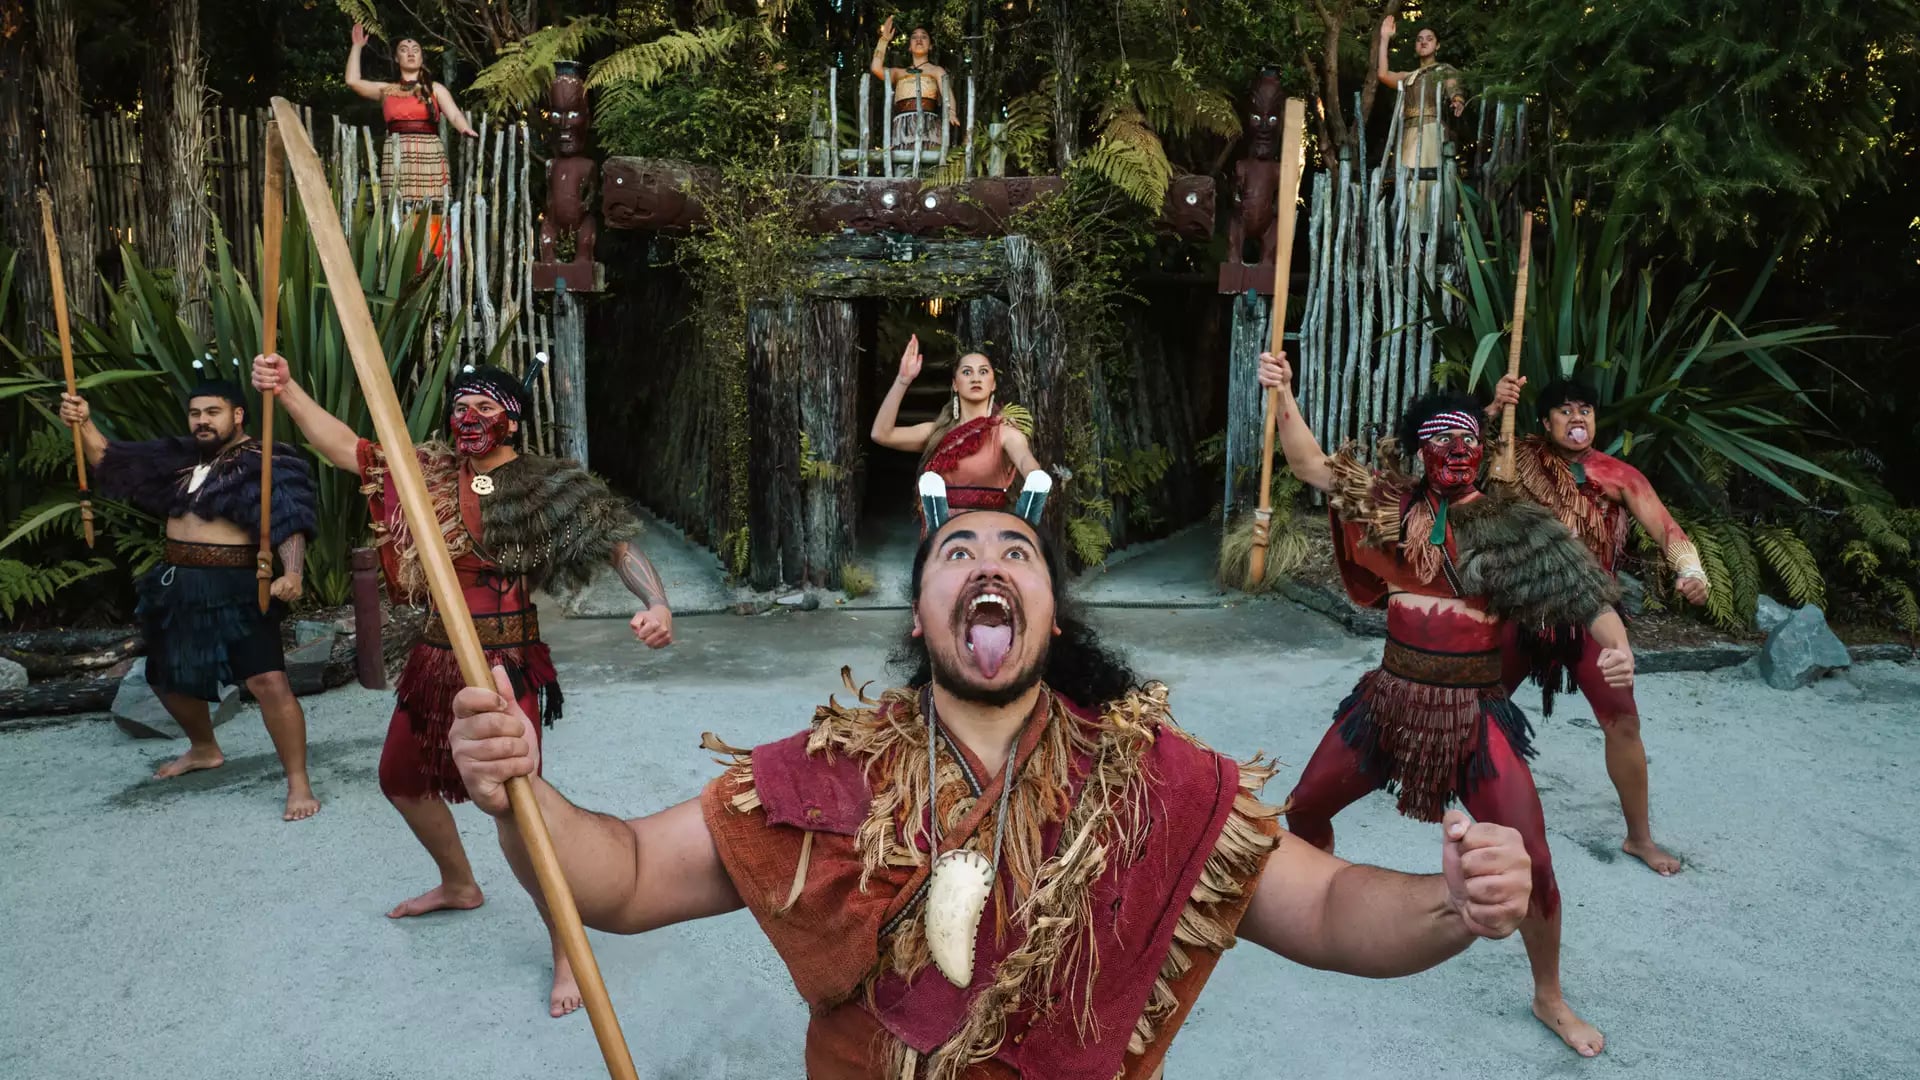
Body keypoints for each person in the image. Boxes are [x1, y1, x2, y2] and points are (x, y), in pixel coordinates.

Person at [445, 497, 1539, 1077]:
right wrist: (519, 794)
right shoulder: (828, 774)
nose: (986, 563)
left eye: (1017, 553)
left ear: (1050, 619)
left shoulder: (1155, 779)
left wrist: (1452, 903)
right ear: (922, 617)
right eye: (955, 552)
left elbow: (1330, 908)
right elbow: (628, 876)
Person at [251, 353, 674, 1018]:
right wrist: (288, 390)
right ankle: (458, 884)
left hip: (504, 664)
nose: (467, 416)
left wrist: (658, 603)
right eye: (460, 405)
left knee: (522, 813)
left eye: (483, 406)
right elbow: (346, 447)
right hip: (434, 658)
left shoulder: (546, 485)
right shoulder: (426, 471)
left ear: (513, 420)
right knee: (399, 779)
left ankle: (566, 948)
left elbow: (617, 544)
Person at [1259, 349, 1629, 1058]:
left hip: (1473, 716)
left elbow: (1589, 597)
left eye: (1469, 438)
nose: (1457, 450)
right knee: (1302, 809)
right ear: (1418, 450)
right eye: (1441, 439)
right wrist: (1285, 396)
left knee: (1534, 860)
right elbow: (1311, 465)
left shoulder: (1514, 524)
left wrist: (1617, 647)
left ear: (1483, 448)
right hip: (1387, 704)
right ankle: (1313, 904)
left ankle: (1549, 995)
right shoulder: (1388, 508)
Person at [59, 379, 320, 821]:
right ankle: (204, 748)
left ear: (238, 415)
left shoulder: (269, 459)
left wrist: (292, 572)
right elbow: (110, 460)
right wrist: (83, 423)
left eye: (213, 412)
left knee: (268, 682)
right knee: (166, 677)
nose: (202, 421)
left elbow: (289, 518)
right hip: (177, 583)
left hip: (238, 585)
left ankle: (298, 782)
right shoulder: (176, 457)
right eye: (196, 413)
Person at [1486, 372, 1704, 876]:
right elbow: (1458, 457)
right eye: (1564, 410)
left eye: (1584, 409)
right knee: (1477, 701)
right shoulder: (1514, 458)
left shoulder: (1618, 475)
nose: (1577, 417)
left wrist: (1691, 571)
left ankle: (1639, 838)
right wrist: (1495, 408)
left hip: (1592, 616)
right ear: (1544, 422)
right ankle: (1442, 782)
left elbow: (1667, 529)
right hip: (1524, 607)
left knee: (1623, 722)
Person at [871, 335, 1045, 519]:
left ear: (993, 384)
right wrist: (903, 380)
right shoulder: (937, 432)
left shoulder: (1005, 433)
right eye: (967, 372)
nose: (976, 378)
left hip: (988, 530)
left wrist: (1035, 476)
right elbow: (881, 434)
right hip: (942, 531)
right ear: (955, 384)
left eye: (983, 372)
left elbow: (1024, 459)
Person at [345, 22, 479, 204]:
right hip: (396, 152)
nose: (410, 53)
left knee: (432, 207)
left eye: (415, 50)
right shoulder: (386, 90)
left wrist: (464, 128)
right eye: (404, 50)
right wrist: (357, 47)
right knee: (396, 207)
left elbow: (454, 114)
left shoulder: (435, 89)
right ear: (396, 58)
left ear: (421, 59)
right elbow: (353, 81)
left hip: (429, 153)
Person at [1376, 15, 1464, 231]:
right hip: (1408, 134)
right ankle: (1409, 236)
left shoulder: (1444, 70)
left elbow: (1454, 90)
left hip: (1432, 130)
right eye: (1419, 39)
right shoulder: (1409, 76)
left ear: (1437, 45)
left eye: (1429, 39)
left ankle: (1431, 233)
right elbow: (1383, 74)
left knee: (1429, 183)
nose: (1423, 42)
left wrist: (1457, 100)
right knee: (1408, 184)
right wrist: (1384, 38)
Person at [870, 17, 958, 151]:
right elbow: (876, 68)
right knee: (903, 161)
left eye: (924, 37)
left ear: (930, 46)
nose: (919, 39)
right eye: (914, 37)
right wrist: (884, 40)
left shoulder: (937, 71)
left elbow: (947, 94)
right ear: (910, 47)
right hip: (902, 126)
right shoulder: (898, 73)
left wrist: (951, 112)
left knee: (928, 161)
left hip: (929, 125)